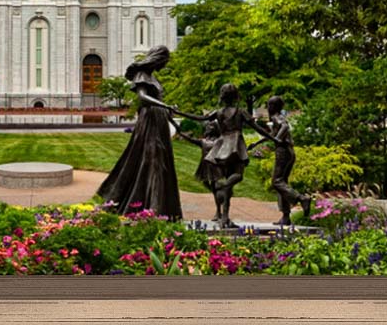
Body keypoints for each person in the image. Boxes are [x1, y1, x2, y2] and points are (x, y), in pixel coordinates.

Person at [97, 45, 183, 220]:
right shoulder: (142, 75)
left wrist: (168, 111)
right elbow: (142, 98)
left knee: (161, 161)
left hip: (159, 120)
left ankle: (160, 207)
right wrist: (163, 105)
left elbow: (157, 100)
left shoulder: (153, 77)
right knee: (152, 158)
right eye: (164, 61)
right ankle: (152, 207)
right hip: (149, 120)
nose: (165, 65)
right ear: (158, 58)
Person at [174, 83, 277, 227]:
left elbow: (199, 118)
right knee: (237, 176)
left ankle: (225, 217)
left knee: (229, 186)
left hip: (222, 146)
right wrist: (274, 138)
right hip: (235, 144)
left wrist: (178, 113)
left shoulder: (218, 112)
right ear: (236, 96)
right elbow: (257, 128)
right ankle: (224, 186)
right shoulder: (240, 112)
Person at [267, 95, 312, 225]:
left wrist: (279, 138)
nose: (268, 108)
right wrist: (258, 142)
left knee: (276, 182)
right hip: (288, 152)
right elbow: (272, 135)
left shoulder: (277, 117)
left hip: (283, 152)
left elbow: (284, 127)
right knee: (282, 183)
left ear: (275, 107)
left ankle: (301, 198)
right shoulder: (279, 117)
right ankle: (286, 216)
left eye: (270, 105)